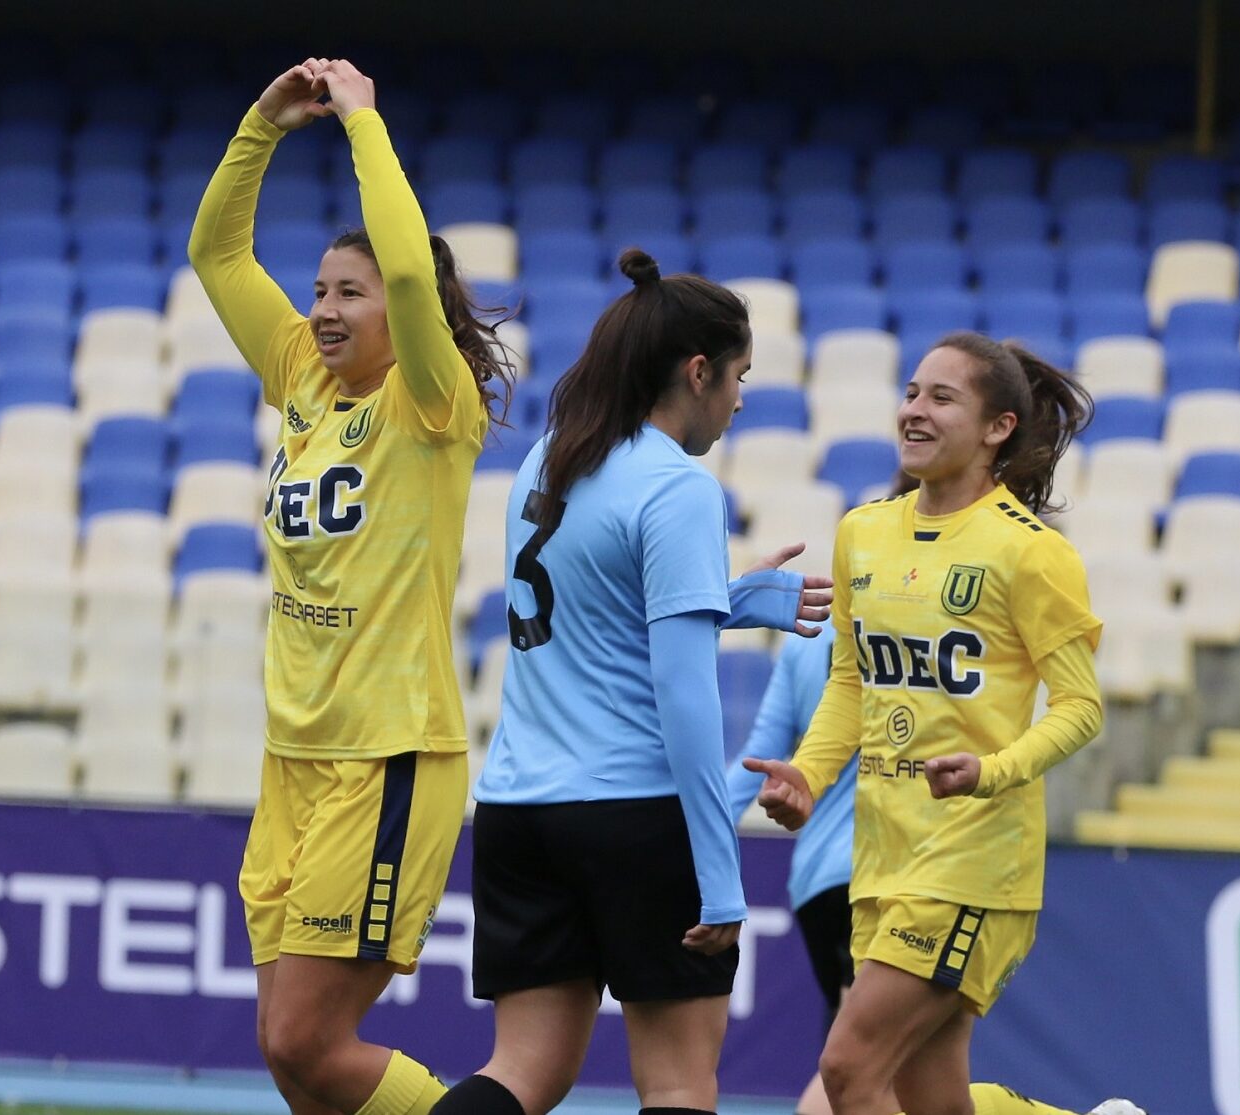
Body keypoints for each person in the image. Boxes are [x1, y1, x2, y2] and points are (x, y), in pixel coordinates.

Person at [429, 249, 831, 1115]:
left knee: (522, 1073)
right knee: (679, 1083)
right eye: (737, 377)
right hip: (636, 813)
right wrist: (720, 872)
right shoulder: (679, 487)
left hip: (520, 812)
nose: (737, 399)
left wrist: (729, 598)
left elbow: (596, 617)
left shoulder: (547, 463)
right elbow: (684, 701)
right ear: (696, 372)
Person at [186, 58, 510, 1115]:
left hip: (387, 756)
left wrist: (363, 125)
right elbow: (215, 252)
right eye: (319, 289)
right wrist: (262, 128)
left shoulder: (429, 400)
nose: (322, 311)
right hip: (294, 757)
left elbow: (416, 281)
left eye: (345, 294)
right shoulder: (300, 380)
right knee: (290, 1059)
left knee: (306, 1038)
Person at [746, 333, 1143, 1115]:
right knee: (926, 1096)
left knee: (849, 1071)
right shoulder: (864, 532)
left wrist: (992, 770)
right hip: (881, 853)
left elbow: (1081, 705)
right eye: (911, 392)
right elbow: (854, 683)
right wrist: (811, 774)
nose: (914, 410)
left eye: (940, 397)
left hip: (973, 860)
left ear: (997, 427)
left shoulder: (1030, 554)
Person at [723, 625, 852, 1115]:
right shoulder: (915, 624)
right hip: (887, 878)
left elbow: (759, 757)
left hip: (818, 879)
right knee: (861, 1067)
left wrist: (697, 837)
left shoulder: (806, 641)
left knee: (882, 1063)